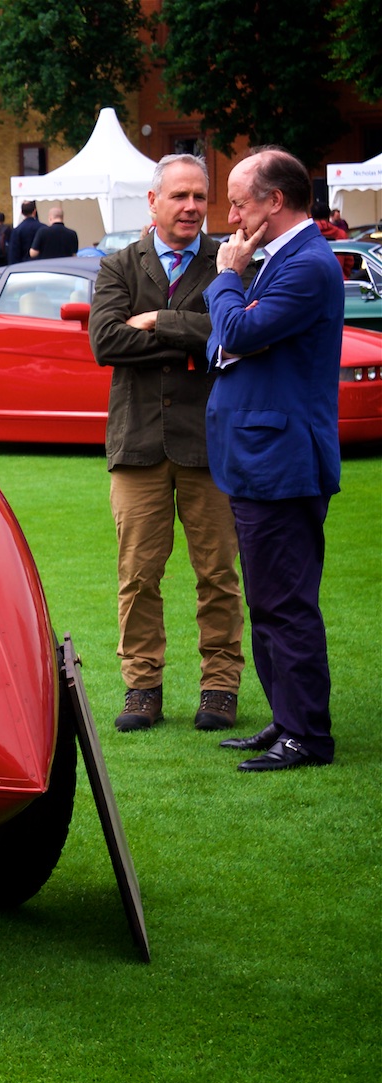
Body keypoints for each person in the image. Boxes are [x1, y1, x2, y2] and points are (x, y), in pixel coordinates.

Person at [89, 153, 243, 734]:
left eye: (200, 196)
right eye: (179, 196)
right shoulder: (118, 265)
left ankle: (220, 685)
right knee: (138, 575)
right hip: (137, 445)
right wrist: (190, 338)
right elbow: (105, 342)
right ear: (152, 203)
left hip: (209, 442)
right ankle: (142, 686)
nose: (191, 207)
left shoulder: (229, 260)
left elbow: (234, 332)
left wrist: (155, 321)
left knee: (218, 575)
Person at [204, 147, 344, 772]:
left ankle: (307, 736)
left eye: (238, 200)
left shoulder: (306, 265)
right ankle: (287, 719)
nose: (229, 214)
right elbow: (225, 341)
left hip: (281, 461)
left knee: (284, 603)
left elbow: (234, 333)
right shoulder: (280, 261)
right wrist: (235, 309)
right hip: (260, 456)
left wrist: (228, 279)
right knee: (268, 600)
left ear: (274, 201)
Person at [6, 201, 43, 265]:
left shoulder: (17, 230)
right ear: (34, 211)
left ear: (22, 212)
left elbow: (13, 254)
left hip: (24, 266)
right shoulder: (43, 228)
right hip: (41, 265)